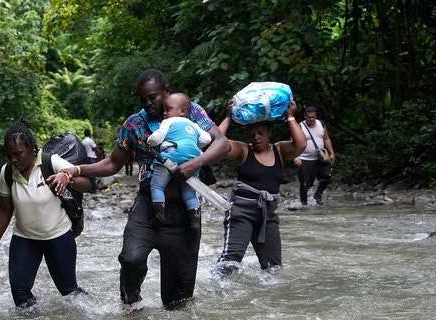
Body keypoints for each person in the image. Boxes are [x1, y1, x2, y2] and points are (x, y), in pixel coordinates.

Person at [58, 69, 230, 310]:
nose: (148, 103)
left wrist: (194, 164)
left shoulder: (189, 110)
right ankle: (132, 305)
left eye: (153, 97)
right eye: (143, 99)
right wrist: (76, 170)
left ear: (166, 92)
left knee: (177, 300)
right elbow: (112, 163)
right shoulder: (134, 123)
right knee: (131, 258)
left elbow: (222, 143)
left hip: (184, 210)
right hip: (148, 204)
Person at [0, 121, 91, 310]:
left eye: (18, 154)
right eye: (9, 156)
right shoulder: (7, 172)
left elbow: (87, 183)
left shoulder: (51, 161)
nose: (14, 160)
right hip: (24, 238)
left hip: (58, 235)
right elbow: (5, 210)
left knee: (69, 291)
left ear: (31, 148)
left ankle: (94, 311)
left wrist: (66, 177)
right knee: (20, 292)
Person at [214, 100, 306, 277]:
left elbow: (300, 145)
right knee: (230, 260)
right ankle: (215, 289)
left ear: (270, 133)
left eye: (261, 133)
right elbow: (217, 144)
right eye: (252, 133)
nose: (256, 137)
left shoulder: (279, 150)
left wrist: (290, 117)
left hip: (267, 215)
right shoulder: (243, 150)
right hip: (241, 212)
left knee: (274, 268)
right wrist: (228, 117)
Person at [147, 92, 212, 238]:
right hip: (192, 159)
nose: (164, 113)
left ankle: (159, 215)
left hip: (171, 154)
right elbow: (206, 139)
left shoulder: (168, 122)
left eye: (167, 109)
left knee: (157, 186)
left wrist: (149, 141)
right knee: (189, 193)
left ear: (182, 111)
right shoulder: (193, 124)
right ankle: (195, 221)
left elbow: (156, 139)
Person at [293, 106, 335, 205]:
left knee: (327, 176)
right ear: (305, 116)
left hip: (320, 158)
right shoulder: (300, 126)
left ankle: (318, 194)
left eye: (313, 117)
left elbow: (326, 139)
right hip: (304, 159)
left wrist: (332, 153)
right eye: (309, 117)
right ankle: (304, 204)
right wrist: (295, 156)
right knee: (305, 184)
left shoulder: (321, 124)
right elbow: (293, 142)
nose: (311, 119)